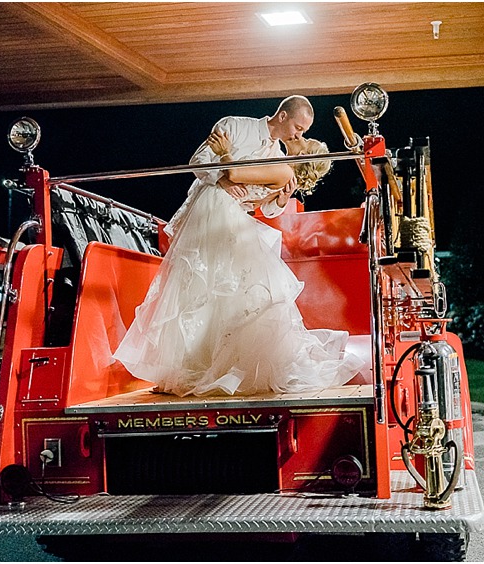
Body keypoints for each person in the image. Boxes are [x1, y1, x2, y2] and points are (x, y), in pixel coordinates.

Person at [112, 97, 364, 396]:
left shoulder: (279, 156)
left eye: (303, 134)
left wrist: (276, 199)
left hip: (232, 217)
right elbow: (198, 161)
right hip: (211, 212)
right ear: (282, 115)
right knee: (199, 291)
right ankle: (195, 365)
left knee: (228, 293)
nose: (299, 135)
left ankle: (216, 366)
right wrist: (223, 176)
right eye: (298, 128)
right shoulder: (235, 125)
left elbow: (262, 204)